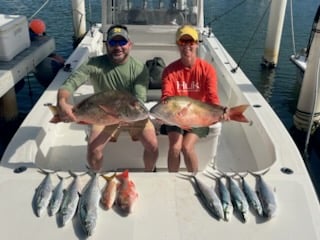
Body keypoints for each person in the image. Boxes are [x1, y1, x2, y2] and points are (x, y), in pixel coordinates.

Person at [57, 24, 158, 172]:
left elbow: (139, 98)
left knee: (153, 146)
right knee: (93, 149)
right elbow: (70, 84)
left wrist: (127, 117)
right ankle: (96, 176)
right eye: (113, 43)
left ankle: (149, 173)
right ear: (106, 45)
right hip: (104, 115)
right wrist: (61, 102)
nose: (118, 47)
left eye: (122, 42)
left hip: (131, 113)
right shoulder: (94, 64)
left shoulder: (139, 68)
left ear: (130, 44)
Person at [161, 25, 223, 173]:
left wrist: (218, 113)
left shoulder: (207, 69)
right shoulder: (169, 70)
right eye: (183, 42)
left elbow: (212, 97)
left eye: (191, 42)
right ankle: (173, 180)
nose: (187, 46)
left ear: (197, 44)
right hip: (176, 117)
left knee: (187, 147)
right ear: (177, 44)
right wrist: (164, 113)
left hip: (198, 116)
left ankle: (195, 179)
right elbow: (167, 97)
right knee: (175, 147)